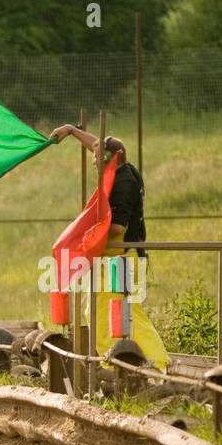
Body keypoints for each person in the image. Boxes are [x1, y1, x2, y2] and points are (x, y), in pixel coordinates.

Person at [48, 124, 168, 370]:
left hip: (121, 259)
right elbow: (98, 146)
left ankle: (146, 365)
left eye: (98, 159)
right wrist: (71, 131)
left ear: (115, 157)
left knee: (119, 315)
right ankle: (127, 364)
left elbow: (118, 228)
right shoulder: (122, 168)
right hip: (114, 259)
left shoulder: (123, 184)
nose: (94, 163)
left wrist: (88, 228)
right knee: (106, 312)